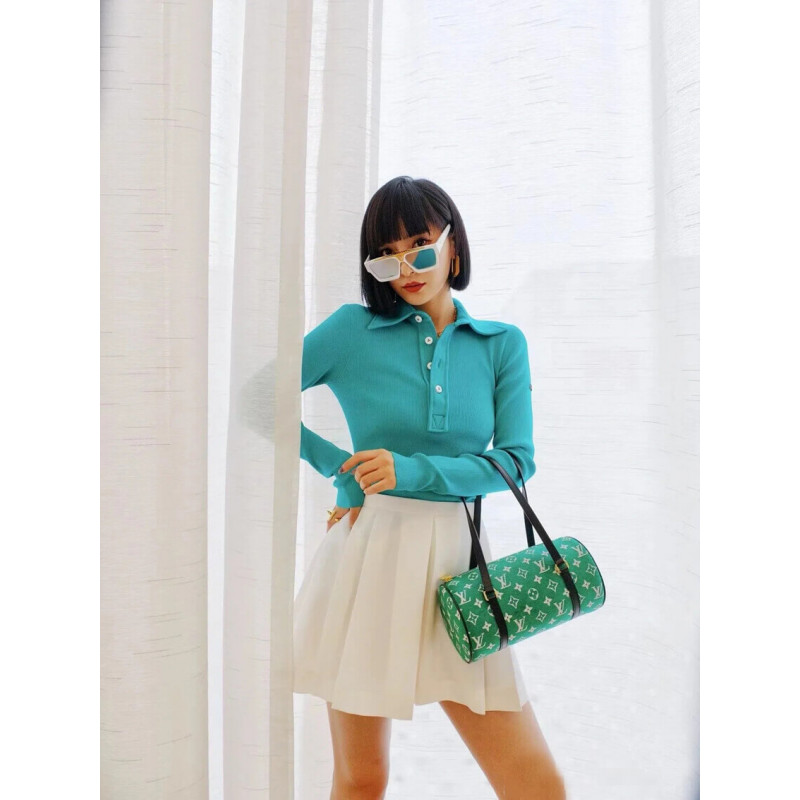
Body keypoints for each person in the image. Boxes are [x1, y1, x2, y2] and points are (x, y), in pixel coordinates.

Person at [295, 176, 566, 800]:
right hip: (369, 558)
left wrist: (410, 470)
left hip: (461, 568)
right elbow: (260, 396)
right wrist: (344, 471)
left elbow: (517, 461)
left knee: (535, 783)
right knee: (362, 778)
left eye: (419, 246)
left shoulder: (500, 344)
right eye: (384, 255)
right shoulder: (350, 331)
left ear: (453, 246)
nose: (405, 268)